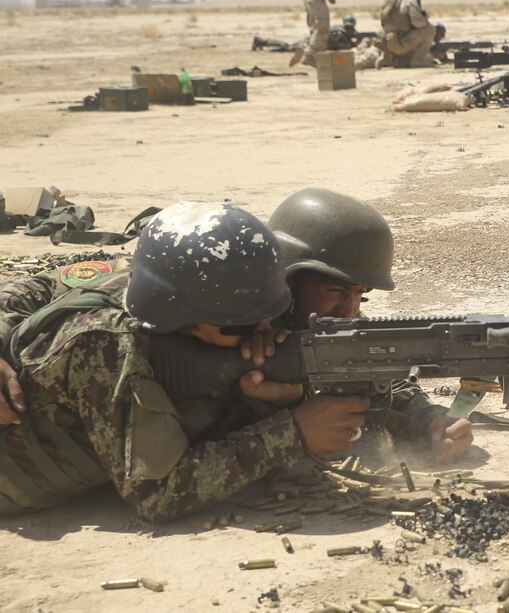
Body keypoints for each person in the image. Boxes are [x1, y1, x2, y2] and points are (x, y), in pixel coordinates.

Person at [0, 202, 369, 520]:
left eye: (269, 315)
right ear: (182, 321)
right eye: (239, 325)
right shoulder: (110, 346)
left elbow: (39, 287)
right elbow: (159, 495)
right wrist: (291, 432)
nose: (262, 329)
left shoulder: (171, 278)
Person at [265, 188, 472, 459]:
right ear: (289, 281)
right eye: (335, 292)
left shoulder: (337, 323)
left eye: (360, 293)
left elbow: (388, 379)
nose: (349, 310)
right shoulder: (244, 336)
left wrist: (430, 420)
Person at [378, 0, 437, 69]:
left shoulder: (391, 1)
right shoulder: (410, 1)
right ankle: (419, 60)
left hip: (387, 43)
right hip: (400, 43)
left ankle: (387, 59)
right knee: (429, 29)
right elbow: (418, 23)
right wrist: (424, 18)